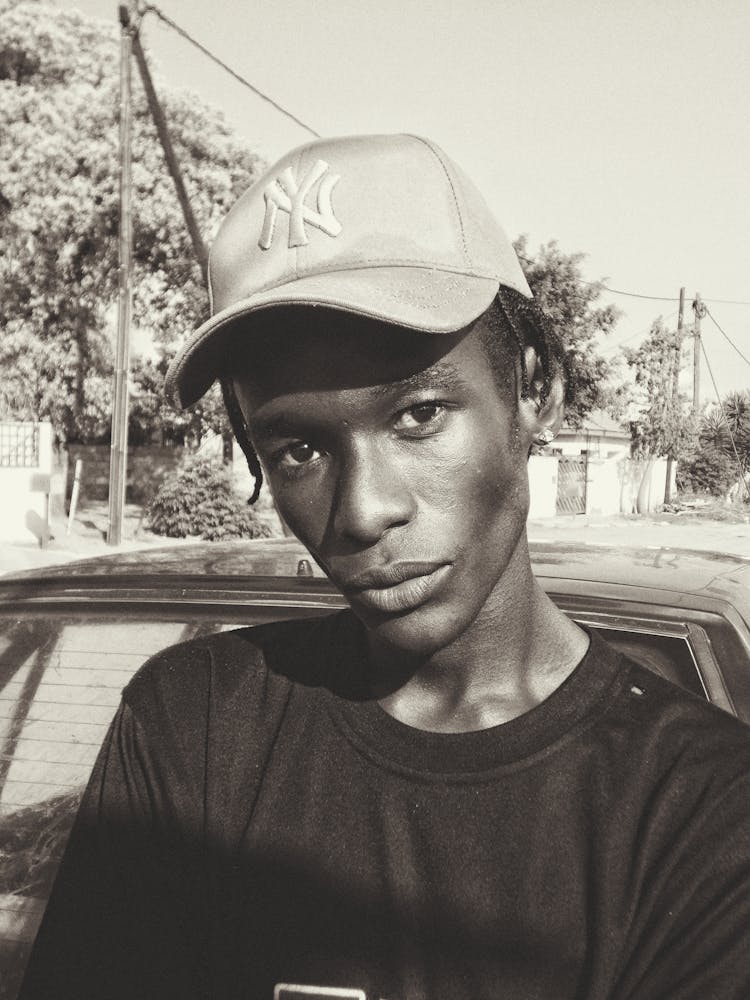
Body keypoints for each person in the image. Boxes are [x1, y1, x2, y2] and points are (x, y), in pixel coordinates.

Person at [20, 134, 750, 1000]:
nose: (365, 511)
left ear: (532, 390)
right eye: (296, 450)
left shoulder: (702, 810)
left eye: (419, 415)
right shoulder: (193, 728)